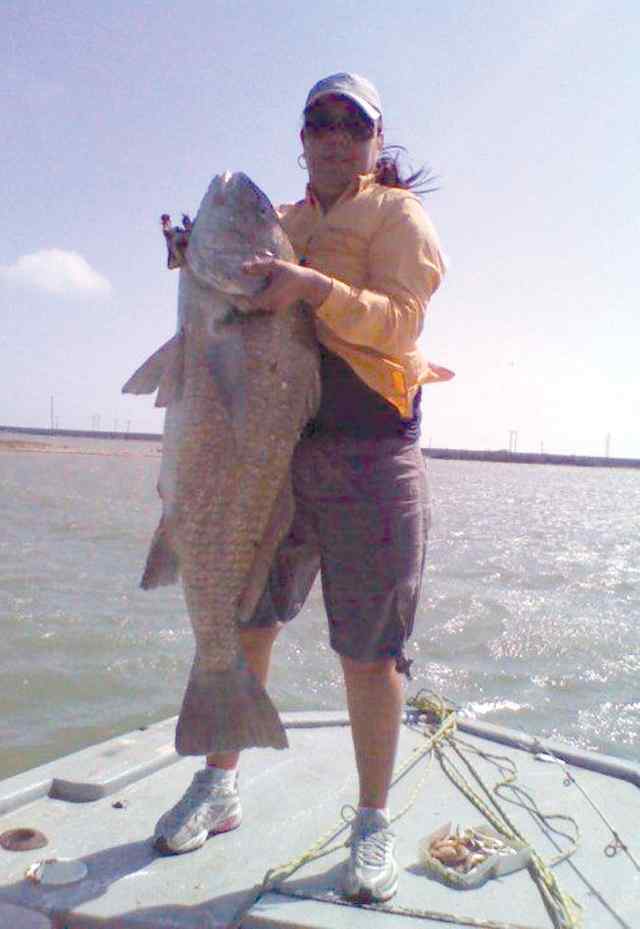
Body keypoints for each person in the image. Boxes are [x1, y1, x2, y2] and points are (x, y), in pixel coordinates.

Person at [154, 72, 448, 903]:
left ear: (375, 139)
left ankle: (371, 821)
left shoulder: (397, 218)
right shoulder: (281, 220)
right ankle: (218, 783)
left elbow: (401, 321)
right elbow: (232, 314)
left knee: (368, 651)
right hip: (276, 453)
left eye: (350, 124)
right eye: (318, 121)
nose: (331, 135)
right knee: (247, 616)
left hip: (372, 454)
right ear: (302, 134)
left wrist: (314, 287)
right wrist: (192, 258)